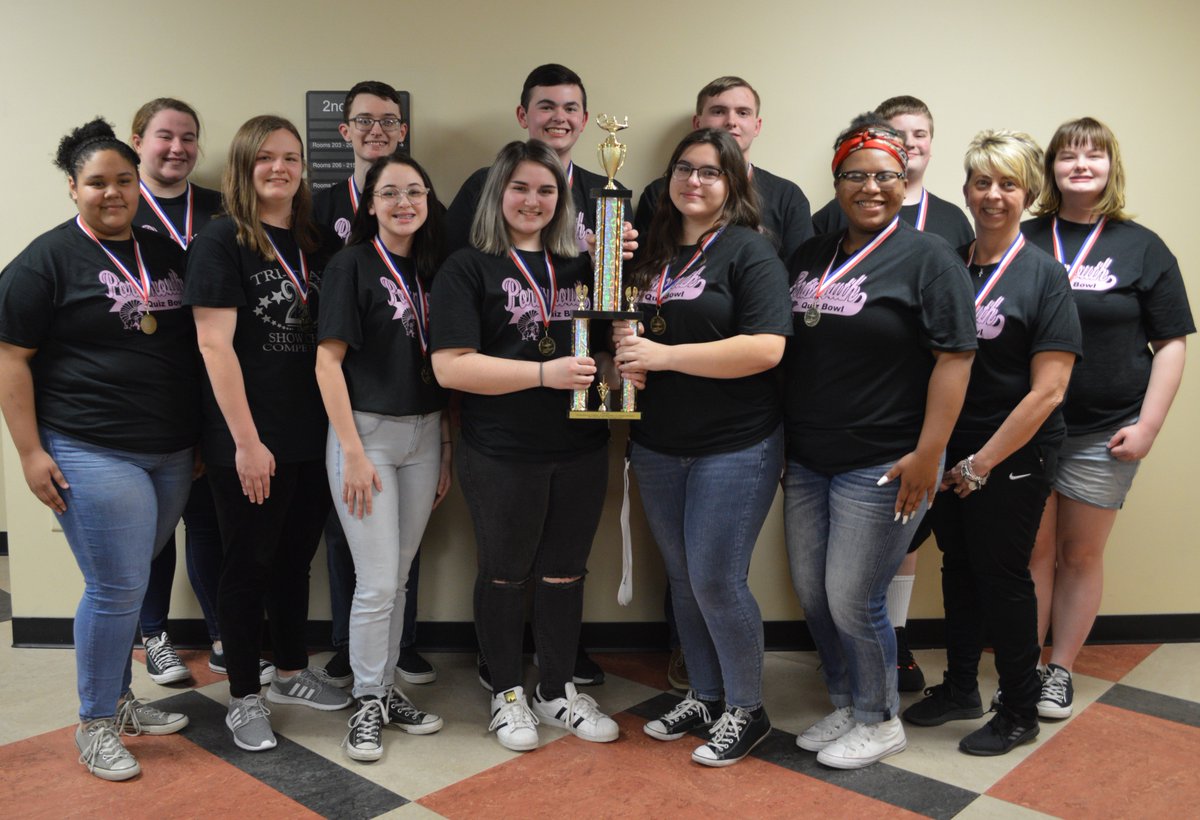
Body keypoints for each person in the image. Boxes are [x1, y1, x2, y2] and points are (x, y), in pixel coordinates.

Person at [0, 118, 197, 780]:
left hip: (167, 449)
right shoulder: (43, 262)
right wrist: (30, 452)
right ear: (72, 188)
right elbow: (10, 362)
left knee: (131, 577)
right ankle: (94, 722)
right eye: (96, 182)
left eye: (123, 180)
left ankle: (119, 701)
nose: (112, 192)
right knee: (115, 586)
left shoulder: (163, 250)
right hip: (89, 445)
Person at [783, 116, 976, 770]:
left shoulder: (931, 259)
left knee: (852, 595)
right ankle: (847, 698)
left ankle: (880, 717)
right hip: (809, 457)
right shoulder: (810, 254)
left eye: (885, 176)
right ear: (836, 182)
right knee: (813, 591)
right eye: (855, 175)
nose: (871, 187)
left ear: (905, 180)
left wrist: (930, 452)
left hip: (888, 460)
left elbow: (955, 359)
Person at [431, 139, 620, 752]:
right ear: (498, 194)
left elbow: (609, 352)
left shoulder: (584, 265)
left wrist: (626, 369)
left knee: (566, 574)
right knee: (507, 574)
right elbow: (451, 368)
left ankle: (557, 689)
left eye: (546, 190)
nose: (533, 200)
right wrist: (544, 374)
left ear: (561, 198)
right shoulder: (468, 267)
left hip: (581, 445)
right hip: (501, 448)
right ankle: (508, 692)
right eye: (520, 188)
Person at [614, 128, 791, 767]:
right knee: (686, 581)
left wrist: (664, 356)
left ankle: (748, 708)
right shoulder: (650, 254)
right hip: (659, 443)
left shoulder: (750, 252)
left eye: (711, 172)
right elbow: (624, 334)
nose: (695, 181)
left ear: (733, 184)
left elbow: (766, 348)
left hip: (735, 445)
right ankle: (708, 693)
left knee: (717, 579)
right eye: (685, 169)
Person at [901, 130, 1081, 755]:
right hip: (949, 446)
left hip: (1013, 453)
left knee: (1003, 575)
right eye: (983, 182)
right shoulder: (946, 262)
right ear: (966, 190)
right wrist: (943, 451)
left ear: (1028, 193)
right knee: (959, 567)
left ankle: (1019, 709)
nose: (994, 195)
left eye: (1008, 183)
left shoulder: (1043, 275)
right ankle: (959, 688)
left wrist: (981, 463)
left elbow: (1049, 391)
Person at [184, 114, 351, 753]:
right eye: (265, 158)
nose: (279, 168)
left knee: (293, 561)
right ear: (244, 167)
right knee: (246, 565)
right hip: (248, 438)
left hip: (309, 434)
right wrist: (247, 443)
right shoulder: (222, 240)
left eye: (291, 157)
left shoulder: (313, 242)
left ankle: (289, 672)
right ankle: (244, 697)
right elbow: (213, 345)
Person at [1023, 117, 1193, 719]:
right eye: (1068, 155)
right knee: (1031, 554)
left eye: (1094, 155)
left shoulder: (1142, 246)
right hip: (1028, 430)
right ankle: (1023, 671)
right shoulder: (1023, 237)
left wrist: (1149, 426)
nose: (1081, 165)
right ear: (1051, 169)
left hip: (1108, 429)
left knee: (1081, 555)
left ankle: (1058, 670)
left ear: (1110, 166)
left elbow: (1172, 341)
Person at [315, 151, 449, 762]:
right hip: (365, 437)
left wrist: (443, 447)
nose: (404, 203)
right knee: (374, 583)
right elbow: (328, 363)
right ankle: (366, 702)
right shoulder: (351, 266)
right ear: (370, 205)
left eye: (415, 192)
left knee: (395, 578)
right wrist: (351, 452)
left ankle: (386, 685)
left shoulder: (431, 268)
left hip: (425, 435)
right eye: (389, 193)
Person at [126, 96, 263, 688]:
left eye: (188, 137)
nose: (177, 148)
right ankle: (154, 634)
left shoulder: (222, 211)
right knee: (154, 524)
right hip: (147, 389)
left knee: (209, 520)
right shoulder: (119, 206)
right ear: (138, 141)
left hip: (214, 385)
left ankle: (222, 631)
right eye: (164, 136)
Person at [633, 76, 813, 263]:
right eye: (718, 111)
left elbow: (800, 276)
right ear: (697, 124)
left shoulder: (787, 196)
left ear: (757, 126)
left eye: (743, 113)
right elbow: (641, 266)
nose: (731, 122)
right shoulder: (661, 193)